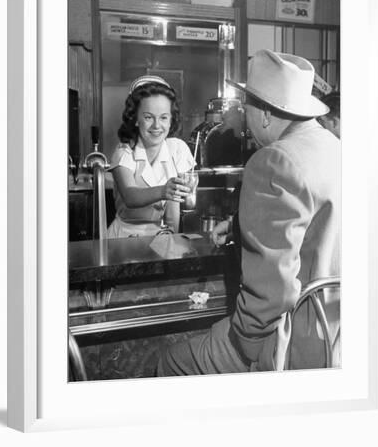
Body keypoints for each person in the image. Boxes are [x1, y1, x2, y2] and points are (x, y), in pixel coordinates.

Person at [158, 49, 340, 375]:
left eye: (247, 107)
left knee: (171, 362)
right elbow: (318, 224)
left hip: (292, 345)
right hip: (339, 339)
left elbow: (272, 293)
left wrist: (243, 346)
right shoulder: (337, 147)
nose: (244, 116)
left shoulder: (273, 159)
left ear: (266, 114)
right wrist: (240, 224)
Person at [107, 75, 195, 238]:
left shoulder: (176, 149)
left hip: (159, 236)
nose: (157, 125)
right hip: (123, 238)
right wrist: (163, 190)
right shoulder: (124, 153)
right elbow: (130, 197)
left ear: (171, 120)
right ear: (135, 119)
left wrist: (171, 240)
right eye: (148, 117)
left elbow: (172, 211)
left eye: (163, 117)